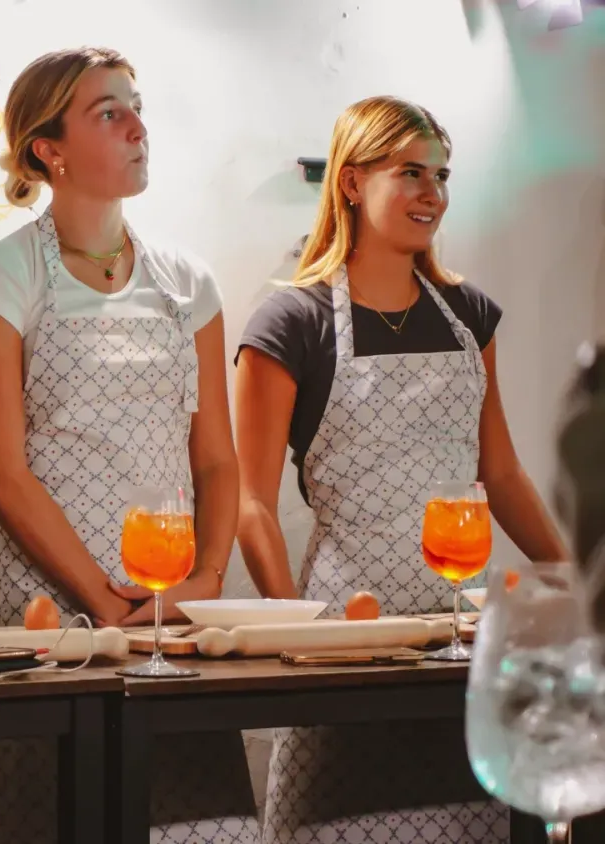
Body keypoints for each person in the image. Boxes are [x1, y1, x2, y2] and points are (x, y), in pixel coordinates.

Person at [236, 95, 569, 842]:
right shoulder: (290, 321)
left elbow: (503, 473)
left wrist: (575, 583)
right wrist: (297, 635)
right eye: (410, 172)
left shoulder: (468, 312)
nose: (432, 194)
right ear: (351, 183)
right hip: (347, 647)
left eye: (441, 175)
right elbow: (250, 501)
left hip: (467, 644)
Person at [0, 47, 258, 843]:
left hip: (171, 610)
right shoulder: (1, 275)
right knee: (50, 817)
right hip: (49, 609)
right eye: (109, 113)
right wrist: (102, 602)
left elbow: (217, 458)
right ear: (47, 150)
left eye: (136, 107)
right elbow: (0, 472)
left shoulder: (187, 279)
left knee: (191, 819)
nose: (138, 128)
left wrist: (205, 579)